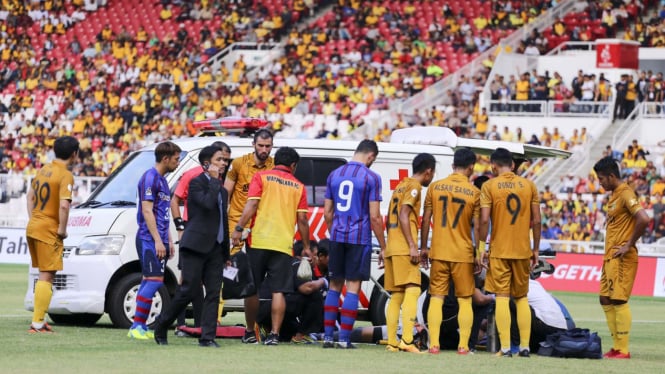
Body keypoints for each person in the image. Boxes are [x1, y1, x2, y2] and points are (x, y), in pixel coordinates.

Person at [231, 146, 311, 346]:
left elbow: (252, 205)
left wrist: (239, 228)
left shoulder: (262, 177)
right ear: (293, 165)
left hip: (258, 240)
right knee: (278, 291)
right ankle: (274, 334)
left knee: (252, 289)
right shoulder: (299, 186)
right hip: (283, 244)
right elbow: (302, 220)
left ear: (275, 161)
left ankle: (250, 332)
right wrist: (307, 246)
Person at [153, 145, 231, 347]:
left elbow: (224, 221)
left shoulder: (222, 190)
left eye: (224, 160)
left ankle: (207, 337)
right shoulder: (197, 184)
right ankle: (162, 324)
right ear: (206, 164)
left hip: (215, 248)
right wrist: (214, 181)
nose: (224, 163)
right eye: (219, 160)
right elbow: (205, 205)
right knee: (187, 291)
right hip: (195, 246)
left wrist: (226, 251)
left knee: (213, 293)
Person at [322, 140, 387, 349]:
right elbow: (375, 217)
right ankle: (344, 340)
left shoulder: (335, 174)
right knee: (353, 287)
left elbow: (327, 213)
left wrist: (335, 232)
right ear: (371, 156)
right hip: (358, 239)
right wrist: (384, 246)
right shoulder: (371, 178)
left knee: (334, 286)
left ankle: (327, 337)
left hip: (337, 237)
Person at [479, 147, 541, 357]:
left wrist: (481, 248)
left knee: (503, 298)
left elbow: (484, 219)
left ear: (493, 166)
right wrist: (536, 249)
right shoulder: (529, 185)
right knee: (522, 298)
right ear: (513, 165)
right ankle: (524, 346)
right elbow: (538, 220)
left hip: (500, 250)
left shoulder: (489, 186)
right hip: (523, 250)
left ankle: (505, 347)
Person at [421, 148, 480, 355]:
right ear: (471, 166)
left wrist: (424, 247)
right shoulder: (474, 192)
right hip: (462, 253)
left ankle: (434, 344)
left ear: (454, 164)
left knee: (437, 297)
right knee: (465, 300)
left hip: (439, 250)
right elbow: (478, 225)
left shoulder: (435, 187)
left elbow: (426, 220)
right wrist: (479, 252)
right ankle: (463, 346)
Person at [593, 157, 648, 359]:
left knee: (618, 298)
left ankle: (623, 349)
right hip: (610, 256)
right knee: (604, 297)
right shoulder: (615, 194)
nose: (600, 183)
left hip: (622, 256)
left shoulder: (625, 193)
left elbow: (644, 218)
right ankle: (616, 347)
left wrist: (628, 244)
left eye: (601, 179)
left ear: (612, 176)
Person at [224, 128, 274, 344]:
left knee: (257, 280)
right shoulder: (238, 164)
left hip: (262, 229)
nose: (264, 150)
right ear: (254, 144)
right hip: (237, 226)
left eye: (268, 146)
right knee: (231, 273)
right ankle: (213, 320)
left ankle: (252, 328)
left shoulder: (274, 166)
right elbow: (225, 193)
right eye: (260, 146)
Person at [128, 141, 181, 339]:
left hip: (158, 239)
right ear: (165, 158)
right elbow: (147, 211)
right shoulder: (149, 178)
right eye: (176, 159)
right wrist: (158, 241)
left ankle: (138, 327)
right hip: (148, 239)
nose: (177, 163)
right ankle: (136, 327)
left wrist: (167, 239)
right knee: (155, 280)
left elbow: (163, 213)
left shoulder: (163, 181)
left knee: (148, 279)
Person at [26, 136, 79, 333]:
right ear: (74, 154)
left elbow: (30, 197)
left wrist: (34, 219)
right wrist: (62, 230)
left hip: (34, 226)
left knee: (43, 275)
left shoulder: (43, 170)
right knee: (47, 276)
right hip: (49, 230)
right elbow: (64, 206)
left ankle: (39, 320)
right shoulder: (65, 175)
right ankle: (37, 323)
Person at [384, 153, 436, 353]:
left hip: (393, 245)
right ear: (428, 171)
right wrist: (413, 245)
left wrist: (390, 245)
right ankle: (406, 340)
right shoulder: (414, 187)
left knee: (397, 294)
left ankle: (392, 342)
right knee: (413, 289)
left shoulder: (400, 186)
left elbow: (390, 216)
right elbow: (404, 213)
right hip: (404, 246)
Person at [256, 242, 327, 344]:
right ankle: (301, 336)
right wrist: (324, 281)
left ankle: (266, 328)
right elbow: (306, 288)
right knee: (314, 295)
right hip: (270, 308)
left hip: (262, 309)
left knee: (292, 330)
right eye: (315, 255)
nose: (316, 259)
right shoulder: (298, 263)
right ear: (306, 254)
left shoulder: (285, 262)